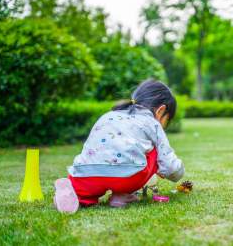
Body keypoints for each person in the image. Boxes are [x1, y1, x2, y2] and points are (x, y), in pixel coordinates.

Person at [53, 79, 184, 212]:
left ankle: (79, 195)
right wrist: (173, 171)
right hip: (127, 178)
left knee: (87, 187)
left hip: (86, 173)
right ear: (161, 111)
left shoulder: (108, 115)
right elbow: (170, 167)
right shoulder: (152, 123)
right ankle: (122, 194)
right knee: (155, 151)